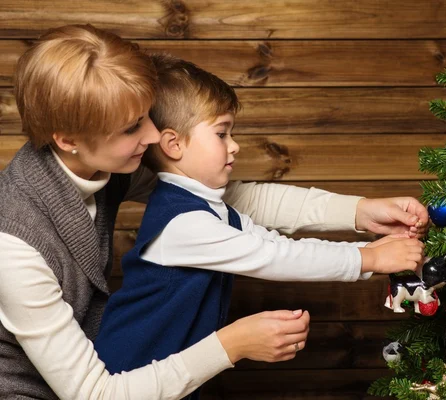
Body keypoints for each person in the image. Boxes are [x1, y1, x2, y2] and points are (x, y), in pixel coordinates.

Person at [0, 24, 429, 400]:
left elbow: (225, 199)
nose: (153, 135)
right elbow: (96, 393)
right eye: (132, 127)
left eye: (147, 116)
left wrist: (358, 212)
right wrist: (230, 345)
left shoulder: (106, 163)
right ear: (68, 138)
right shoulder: (14, 245)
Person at [93, 54, 426, 391]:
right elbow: (272, 258)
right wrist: (368, 259)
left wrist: (367, 246)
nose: (234, 146)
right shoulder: (183, 223)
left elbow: (275, 245)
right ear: (174, 144)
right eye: (221, 134)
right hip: (129, 372)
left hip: (169, 372)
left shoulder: (210, 207)